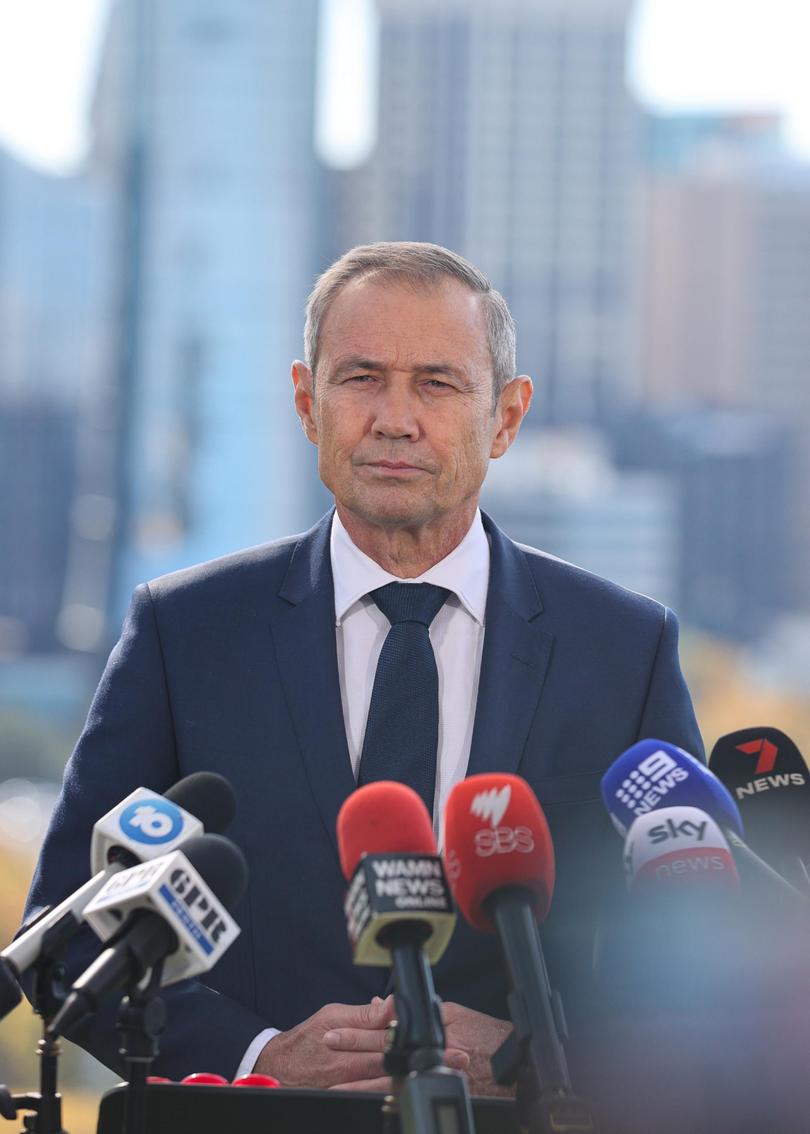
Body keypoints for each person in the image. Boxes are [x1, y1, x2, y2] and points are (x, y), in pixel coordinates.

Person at [24, 242, 703, 1093]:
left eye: (437, 383)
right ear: (307, 403)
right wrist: (258, 1061)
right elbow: (66, 941)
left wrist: (533, 1062)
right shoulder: (184, 632)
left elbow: (698, 971)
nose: (394, 418)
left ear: (508, 416)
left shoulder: (623, 650)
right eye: (361, 378)